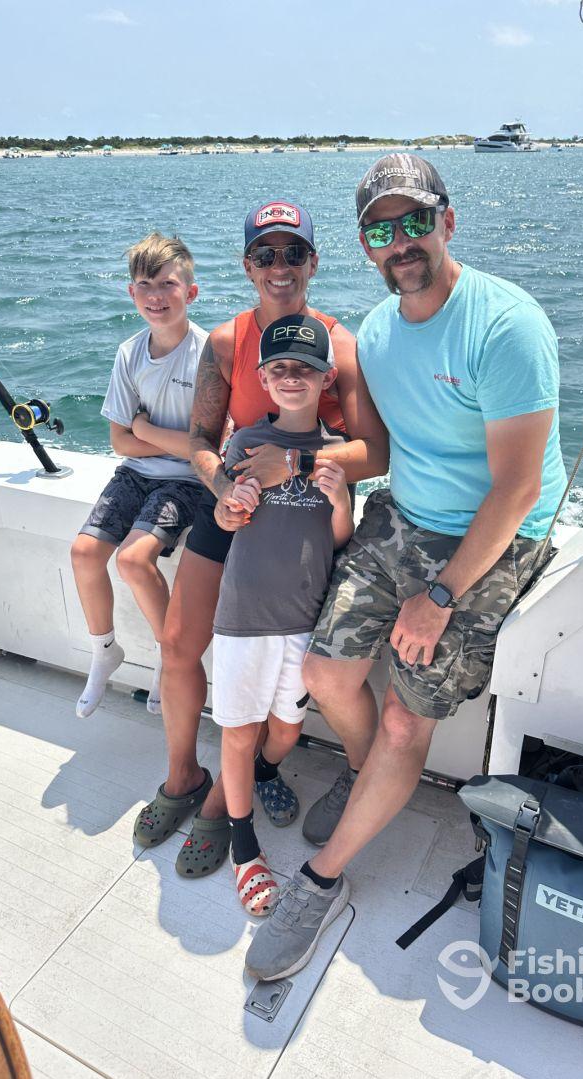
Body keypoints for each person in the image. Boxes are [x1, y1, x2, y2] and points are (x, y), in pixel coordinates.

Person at [245, 153, 567, 980]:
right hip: (403, 516)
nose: (401, 242)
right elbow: (372, 446)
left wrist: (439, 595)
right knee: (323, 673)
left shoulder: (507, 324)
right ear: (364, 246)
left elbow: (519, 486)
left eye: (415, 221)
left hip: (491, 537)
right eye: (382, 230)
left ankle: (318, 883)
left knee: (402, 719)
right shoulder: (377, 335)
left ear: (447, 222)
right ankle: (363, 781)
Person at [132, 201, 388, 877]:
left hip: (309, 521)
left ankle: (224, 800)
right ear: (247, 266)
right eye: (266, 255)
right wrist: (224, 491)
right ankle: (183, 774)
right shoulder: (224, 343)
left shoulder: (340, 343)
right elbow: (200, 441)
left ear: (313, 262)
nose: (280, 267)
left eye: (293, 253)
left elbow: (376, 451)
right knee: (180, 643)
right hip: (236, 512)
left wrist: (299, 467)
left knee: (286, 685)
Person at [214, 314, 354, 915]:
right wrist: (232, 505)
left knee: (287, 729)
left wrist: (342, 498)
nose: (292, 377)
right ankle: (244, 848)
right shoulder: (246, 443)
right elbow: (226, 515)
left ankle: (270, 773)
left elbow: (340, 538)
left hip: (304, 620)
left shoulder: (335, 454)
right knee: (239, 732)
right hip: (244, 616)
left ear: (326, 379)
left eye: (305, 368)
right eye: (279, 369)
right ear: (263, 380)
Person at [71, 233, 206, 719]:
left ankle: (168, 660)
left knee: (132, 561)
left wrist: (147, 426)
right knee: (84, 552)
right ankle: (104, 649)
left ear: (190, 292)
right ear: (131, 293)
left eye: (168, 284)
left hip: (187, 482)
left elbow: (204, 448)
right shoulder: (128, 354)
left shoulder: (210, 354)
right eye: (144, 284)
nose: (156, 295)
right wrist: (165, 436)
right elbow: (121, 442)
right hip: (134, 472)